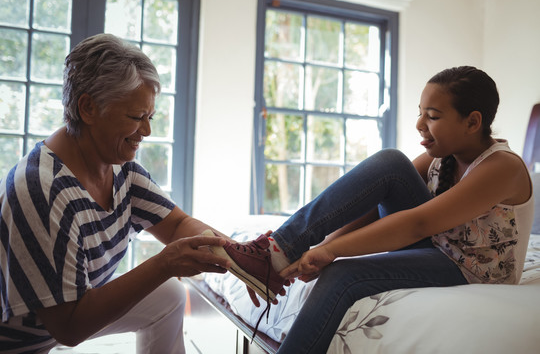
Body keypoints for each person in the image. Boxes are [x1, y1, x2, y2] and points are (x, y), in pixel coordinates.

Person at [209, 66, 534, 353]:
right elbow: (373, 197)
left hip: (471, 270)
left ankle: (277, 257)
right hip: (437, 248)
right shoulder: (442, 156)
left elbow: (418, 223)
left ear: (473, 122)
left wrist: (334, 252)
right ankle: (278, 249)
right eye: (420, 112)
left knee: (343, 274)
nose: (420, 124)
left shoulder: (502, 167)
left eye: (432, 116)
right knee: (391, 163)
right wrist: (318, 249)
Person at [0, 33, 232, 354]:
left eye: (149, 117)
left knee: (170, 295)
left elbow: (177, 225)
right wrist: (165, 264)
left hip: (58, 324)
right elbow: (69, 327)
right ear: (88, 107)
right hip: (19, 345)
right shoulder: (40, 189)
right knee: (162, 281)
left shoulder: (120, 169)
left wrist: (241, 257)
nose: (147, 132)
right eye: (136, 118)